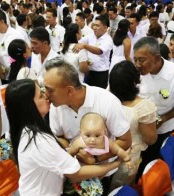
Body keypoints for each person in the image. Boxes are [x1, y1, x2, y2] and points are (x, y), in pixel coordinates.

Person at [5, 78, 122, 195]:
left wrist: (74, 149)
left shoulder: (29, 130)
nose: (46, 96)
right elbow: (76, 174)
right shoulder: (38, 140)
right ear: (29, 106)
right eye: (40, 95)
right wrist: (116, 163)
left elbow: (56, 156)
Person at [44, 57, 131, 194]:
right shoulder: (56, 106)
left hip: (104, 172)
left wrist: (96, 158)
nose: (46, 96)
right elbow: (60, 136)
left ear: (69, 91)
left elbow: (125, 140)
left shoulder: (107, 101)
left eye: (49, 90)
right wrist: (70, 151)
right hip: (74, 171)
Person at [133, 37, 174, 181]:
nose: (137, 64)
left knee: (150, 162)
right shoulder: (137, 72)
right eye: (135, 59)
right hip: (138, 127)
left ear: (156, 58)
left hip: (162, 129)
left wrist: (162, 119)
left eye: (142, 60)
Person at [109, 60, 157, 188]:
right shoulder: (143, 107)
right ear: (134, 82)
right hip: (129, 156)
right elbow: (150, 139)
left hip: (106, 152)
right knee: (121, 187)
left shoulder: (107, 99)